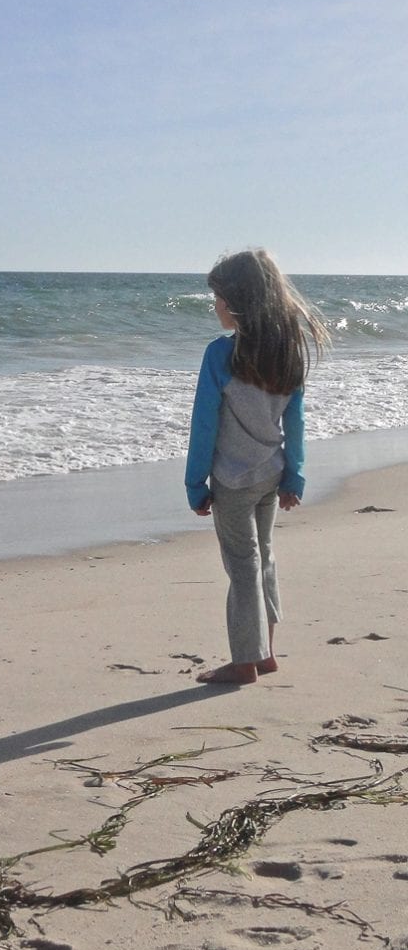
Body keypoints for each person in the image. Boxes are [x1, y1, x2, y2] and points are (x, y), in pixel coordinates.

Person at [185, 249, 330, 685]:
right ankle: (265, 653)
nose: (216, 307)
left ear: (238, 302)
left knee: (242, 566)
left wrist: (195, 483)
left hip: (232, 480)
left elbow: (204, 424)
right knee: (263, 557)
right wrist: (295, 475)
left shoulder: (220, 356)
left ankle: (244, 662)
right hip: (272, 473)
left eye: (219, 299)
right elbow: (296, 421)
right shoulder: (288, 354)